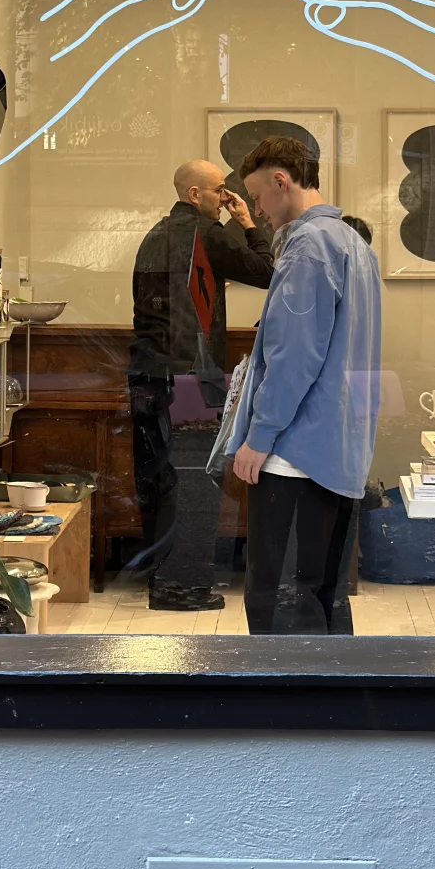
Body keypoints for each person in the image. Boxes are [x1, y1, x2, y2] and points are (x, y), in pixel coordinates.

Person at [227, 136, 381, 634]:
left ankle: (288, 690)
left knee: (283, 604)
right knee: (322, 597)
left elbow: (293, 357)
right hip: (338, 448)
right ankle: (328, 686)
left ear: (281, 181)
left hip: (295, 453)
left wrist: (259, 436)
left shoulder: (309, 247)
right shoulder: (353, 244)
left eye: (257, 196)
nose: (256, 209)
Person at [130, 158, 273, 610]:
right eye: (219, 190)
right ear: (195, 194)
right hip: (190, 378)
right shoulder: (206, 234)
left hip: (147, 374)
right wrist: (247, 223)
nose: (226, 198)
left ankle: (161, 580)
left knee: (156, 481)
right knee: (192, 483)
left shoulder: (155, 234)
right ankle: (184, 587)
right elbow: (267, 271)